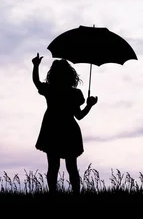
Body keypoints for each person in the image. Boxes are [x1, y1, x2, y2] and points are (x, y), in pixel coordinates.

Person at [32, 53, 98, 195]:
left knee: (53, 166)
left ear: (53, 75)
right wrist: (90, 105)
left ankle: (53, 194)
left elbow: (36, 82)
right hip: (69, 130)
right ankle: (76, 194)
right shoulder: (74, 93)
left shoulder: (50, 90)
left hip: (52, 129)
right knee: (71, 167)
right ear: (70, 75)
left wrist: (36, 66)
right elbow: (79, 116)